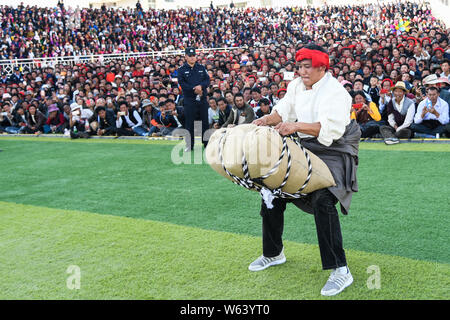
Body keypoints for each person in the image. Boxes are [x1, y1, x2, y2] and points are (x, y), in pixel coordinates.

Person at [250, 44, 360, 297]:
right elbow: (282, 110)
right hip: (304, 147)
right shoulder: (296, 85)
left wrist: (294, 126)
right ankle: (273, 253)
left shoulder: (336, 92)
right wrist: (264, 120)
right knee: (271, 192)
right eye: (299, 66)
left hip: (334, 150)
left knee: (323, 200)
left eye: (307, 66)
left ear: (322, 67)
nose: (302, 71)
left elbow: (329, 130)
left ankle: (341, 270)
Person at [177, 47, 210, 151]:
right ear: (186, 56)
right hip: (190, 100)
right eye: (190, 56)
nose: (192, 58)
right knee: (189, 123)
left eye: (193, 56)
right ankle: (189, 145)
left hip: (202, 99)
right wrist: (194, 89)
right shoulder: (181, 70)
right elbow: (182, 83)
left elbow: (207, 80)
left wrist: (201, 86)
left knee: (204, 122)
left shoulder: (201, 67)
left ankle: (206, 144)